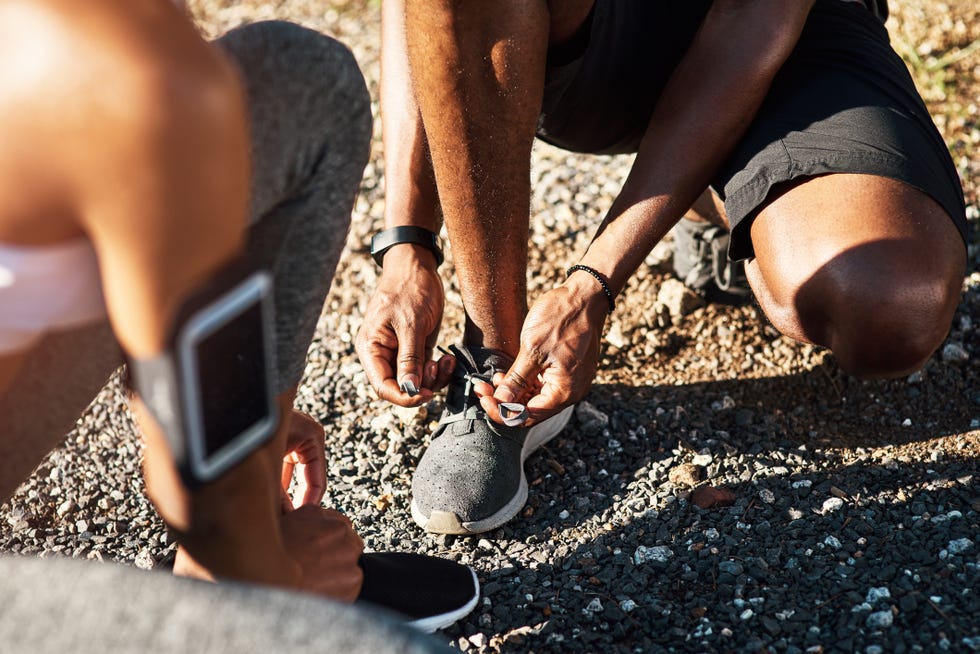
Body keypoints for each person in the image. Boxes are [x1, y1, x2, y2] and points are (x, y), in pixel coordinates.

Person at [356, 0, 968, 535]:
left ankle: (710, 192)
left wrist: (592, 282)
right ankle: (496, 364)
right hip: (588, 33)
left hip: (779, 32)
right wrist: (408, 240)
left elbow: (750, 19)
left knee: (888, 306)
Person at [0, 0, 477, 631]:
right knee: (299, 86)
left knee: (287, 90)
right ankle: (239, 593)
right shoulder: (132, 69)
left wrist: (236, 395)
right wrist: (285, 580)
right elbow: (197, 488)